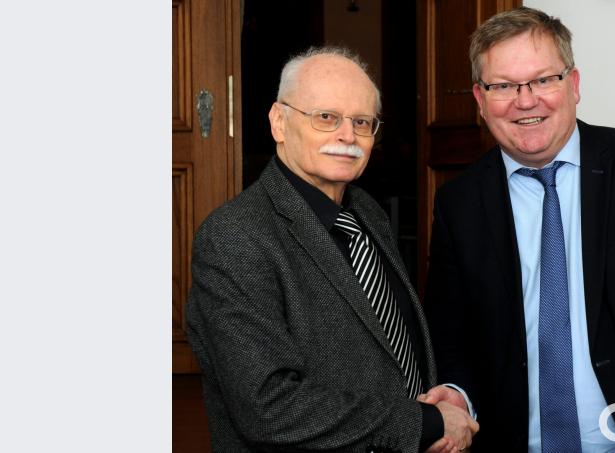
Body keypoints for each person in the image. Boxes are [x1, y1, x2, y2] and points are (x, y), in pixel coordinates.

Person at [185, 46, 478, 453]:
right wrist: (424, 423)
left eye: (362, 122)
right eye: (326, 117)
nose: (347, 136)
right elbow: (268, 407)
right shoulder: (234, 237)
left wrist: (436, 398)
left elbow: (388, 347)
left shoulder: (366, 213)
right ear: (279, 122)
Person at [422, 7, 615, 453]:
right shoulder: (458, 204)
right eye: (503, 86)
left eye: (543, 80)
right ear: (480, 100)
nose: (525, 100)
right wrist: (457, 395)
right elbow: (451, 334)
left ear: (573, 85)